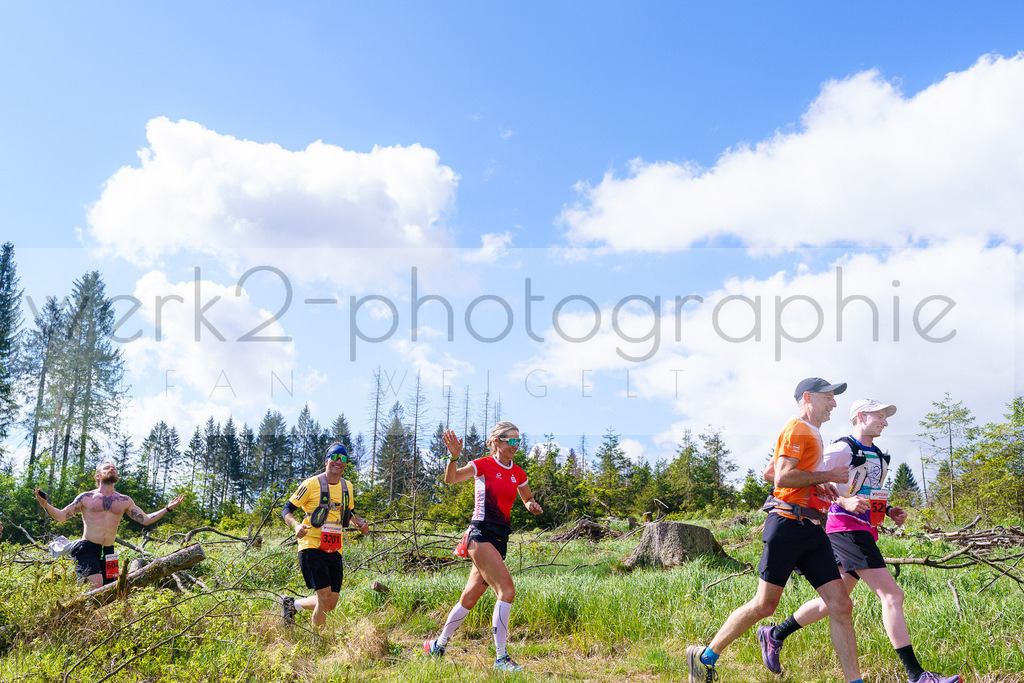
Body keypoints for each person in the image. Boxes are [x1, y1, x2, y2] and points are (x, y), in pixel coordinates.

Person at [757, 398, 961, 683]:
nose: (885, 422)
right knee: (892, 595)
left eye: (886, 418)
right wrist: (843, 501)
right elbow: (812, 478)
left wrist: (889, 510)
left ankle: (775, 633)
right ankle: (917, 675)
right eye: (879, 416)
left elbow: (869, 492)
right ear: (861, 417)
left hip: (864, 531)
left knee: (834, 602)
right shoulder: (841, 448)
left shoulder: (877, 455)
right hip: (844, 529)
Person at [687, 377, 867, 683]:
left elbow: (769, 471)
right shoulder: (797, 427)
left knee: (841, 604)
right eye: (829, 398)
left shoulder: (812, 433)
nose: (834, 404)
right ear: (808, 397)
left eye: (835, 398)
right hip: (786, 525)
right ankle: (704, 657)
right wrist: (827, 474)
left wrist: (818, 484)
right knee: (765, 605)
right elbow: (782, 478)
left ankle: (855, 681)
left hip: (811, 529)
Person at [423, 421, 543, 672]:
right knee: (506, 591)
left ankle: (437, 645)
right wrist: (453, 457)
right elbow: (451, 478)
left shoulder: (518, 472)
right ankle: (501, 659)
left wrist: (531, 505)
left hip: (500, 539)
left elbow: (526, 496)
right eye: (511, 441)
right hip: (480, 536)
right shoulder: (483, 465)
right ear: (497, 442)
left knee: (470, 597)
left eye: (518, 441)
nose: (515, 446)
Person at [34, 462, 184, 589]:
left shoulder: (124, 500)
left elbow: (145, 519)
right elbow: (61, 516)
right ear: (98, 476)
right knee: (96, 586)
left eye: (113, 468)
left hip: (109, 551)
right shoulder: (86, 497)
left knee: (111, 588)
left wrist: (167, 508)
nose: (111, 469)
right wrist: (45, 504)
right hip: (87, 547)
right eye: (106, 468)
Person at [280, 442, 370, 628]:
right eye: (335, 457)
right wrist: (295, 525)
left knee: (331, 603)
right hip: (311, 545)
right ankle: (318, 646)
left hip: (334, 547)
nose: (339, 461)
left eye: (343, 458)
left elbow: (350, 513)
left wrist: (359, 523)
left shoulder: (348, 487)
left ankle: (292, 605)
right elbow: (286, 509)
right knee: (324, 597)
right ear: (327, 460)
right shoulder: (311, 484)